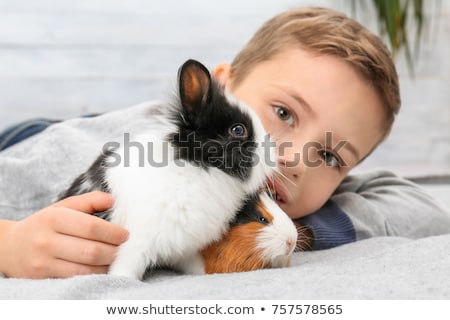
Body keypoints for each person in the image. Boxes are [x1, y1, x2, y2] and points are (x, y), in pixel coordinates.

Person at [0, 7, 449, 279]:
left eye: (329, 155)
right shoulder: (112, 155)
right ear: (221, 91)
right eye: (284, 113)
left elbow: (425, 211)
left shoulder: (280, 185)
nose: (293, 159)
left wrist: (299, 225)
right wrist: (12, 243)